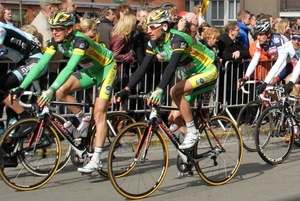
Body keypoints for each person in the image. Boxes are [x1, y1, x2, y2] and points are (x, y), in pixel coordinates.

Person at [11, 11, 118, 173]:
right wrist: (21, 87)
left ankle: (96, 159)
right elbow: (39, 65)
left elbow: (69, 67)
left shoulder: (80, 40)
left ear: (68, 29)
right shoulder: (55, 41)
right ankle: (83, 119)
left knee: (99, 114)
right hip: (90, 71)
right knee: (62, 91)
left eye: (58, 29)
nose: (54, 32)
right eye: (52, 28)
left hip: (106, 69)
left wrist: (50, 90)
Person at [113, 8, 218, 149]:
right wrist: (126, 90)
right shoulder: (153, 43)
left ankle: (192, 131)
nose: (148, 31)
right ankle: (187, 154)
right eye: (147, 27)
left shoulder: (178, 39)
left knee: (175, 91)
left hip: (207, 70)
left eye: (152, 27)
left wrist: (158, 90)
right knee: (172, 119)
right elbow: (143, 68)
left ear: (164, 26)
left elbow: (172, 66)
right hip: (191, 76)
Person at [0, 13, 43, 129]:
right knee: (5, 98)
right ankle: (8, 141)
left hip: (35, 60)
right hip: (22, 61)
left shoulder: (1, 30)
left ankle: (26, 117)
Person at [238, 19, 289, 88]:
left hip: (292, 62)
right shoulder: (260, 43)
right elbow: (255, 60)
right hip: (284, 63)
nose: (258, 37)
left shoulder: (277, 40)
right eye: (257, 34)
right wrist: (245, 77)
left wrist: (266, 82)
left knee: (270, 83)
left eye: (261, 34)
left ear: (268, 34)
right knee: (268, 87)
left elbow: (280, 62)